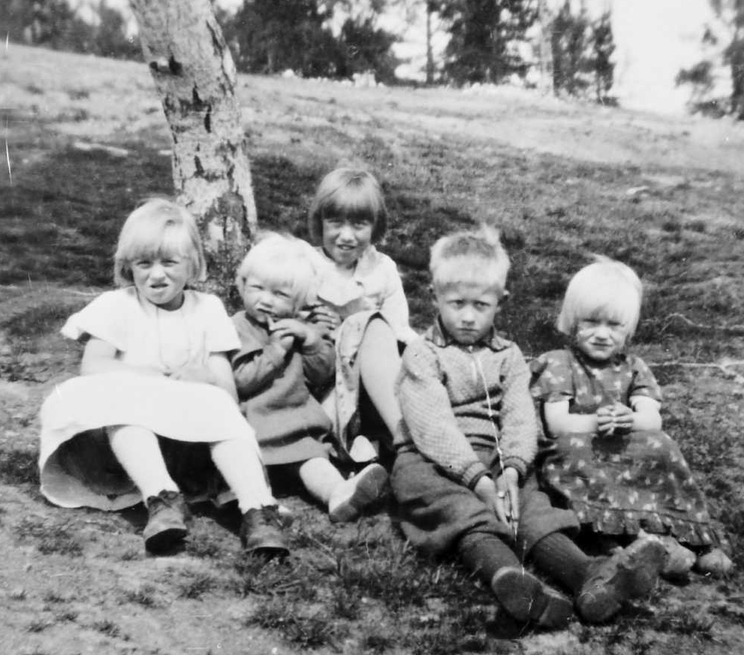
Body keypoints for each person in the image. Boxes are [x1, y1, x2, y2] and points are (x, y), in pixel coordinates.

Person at [390, 227, 667, 629]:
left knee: (533, 507)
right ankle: (508, 577)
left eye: (480, 305)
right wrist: (479, 481)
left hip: (495, 457)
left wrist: (511, 469)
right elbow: (432, 426)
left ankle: (588, 576)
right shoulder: (423, 354)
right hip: (430, 460)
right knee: (460, 509)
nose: (467, 316)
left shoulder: (509, 356)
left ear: (500, 303)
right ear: (433, 297)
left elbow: (521, 417)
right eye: (456, 303)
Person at [37, 198, 289, 556]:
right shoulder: (118, 305)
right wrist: (146, 375)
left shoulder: (207, 310)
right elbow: (93, 366)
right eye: (144, 264)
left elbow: (227, 391)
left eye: (169, 263)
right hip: (123, 449)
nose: (157, 275)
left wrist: (203, 375)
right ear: (129, 266)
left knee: (219, 406)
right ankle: (161, 498)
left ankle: (258, 510)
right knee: (116, 405)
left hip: (187, 444)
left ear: (192, 265)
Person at [529, 257, 733, 578]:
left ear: (629, 329)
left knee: (660, 445)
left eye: (614, 325)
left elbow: (651, 419)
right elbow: (557, 422)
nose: (601, 334)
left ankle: (687, 536)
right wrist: (596, 423)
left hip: (623, 446)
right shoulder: (559, 363)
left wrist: (629, 419)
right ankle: (624, 540)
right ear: (572, 322)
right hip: (581, 447)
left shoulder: (633, 367)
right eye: (591, 322)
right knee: (572, 449)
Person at [230, 233, 390, 522]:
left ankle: (339, 494)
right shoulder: (238, 327)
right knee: (246, 469)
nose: (266, 300)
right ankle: (261, 507)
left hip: (298, 427)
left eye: (280, 295)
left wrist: (312, 341)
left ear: (299, 301)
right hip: (256, 425)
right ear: (242, 285)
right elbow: (241, 378)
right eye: (258, 288)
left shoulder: (300, 327)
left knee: (315, 462)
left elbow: (322, 373)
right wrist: (276, 351)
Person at [303, 167, 418, 466]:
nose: (346, 236)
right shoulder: (306, 265)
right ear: (320, 222)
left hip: (373, 378)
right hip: (324, 378)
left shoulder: (382, 269)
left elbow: (399, 331)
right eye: (336, 223)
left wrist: (363, 322)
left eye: (358, 224)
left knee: (372, 327)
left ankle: (400, 443)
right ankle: (367, 452)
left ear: (375, 226)